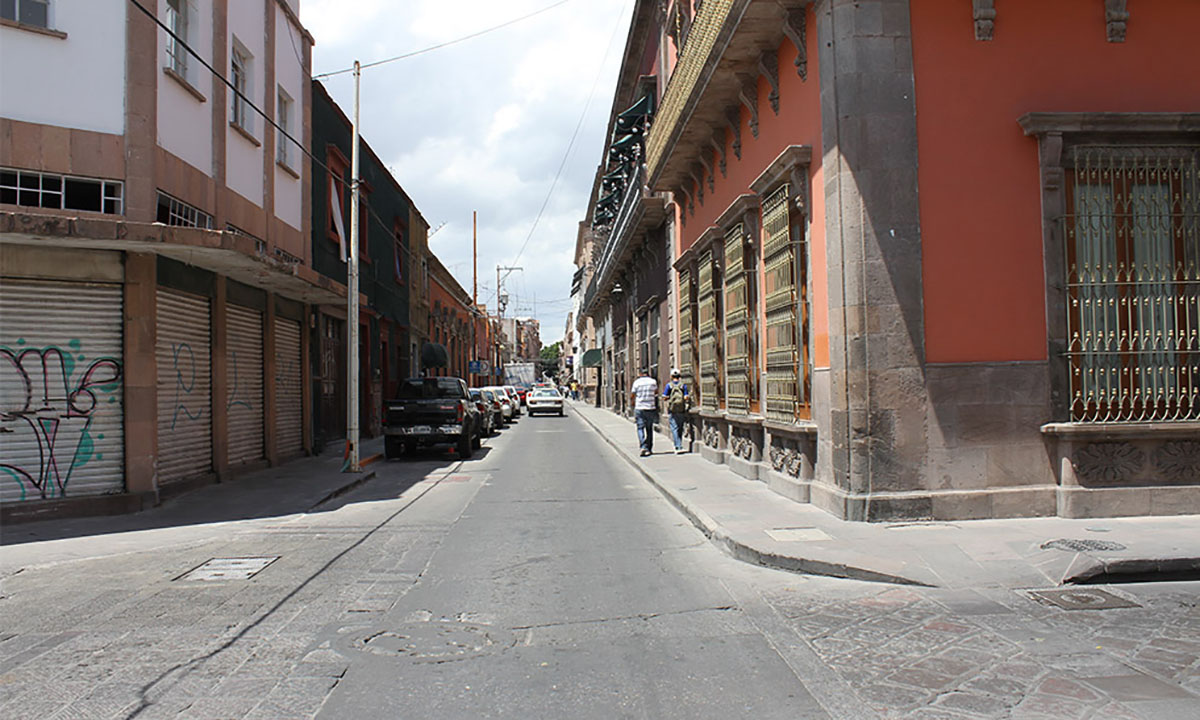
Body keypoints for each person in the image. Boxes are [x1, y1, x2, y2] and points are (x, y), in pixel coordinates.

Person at [629, 368, 659, 457]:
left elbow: (632, 394)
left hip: (639, 407)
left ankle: (643, 446)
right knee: (649, 428)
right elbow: (656, 392)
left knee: (640, 427)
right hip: (650, 407)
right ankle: (649, 448)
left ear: (640, 373)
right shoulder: (653, 382)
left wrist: (632, 402)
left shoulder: (637, 382)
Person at [662, 368, 690, 454]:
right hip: (681, 409)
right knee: (680, 427)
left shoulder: (669, 385)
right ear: (679, 376)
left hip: (672, 409)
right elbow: (686, 397)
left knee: (674, 428)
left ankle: (677, 446)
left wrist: (669, 398)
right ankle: (680, 445)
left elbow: (664, 396)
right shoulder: (683, 385)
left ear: (671, 376)